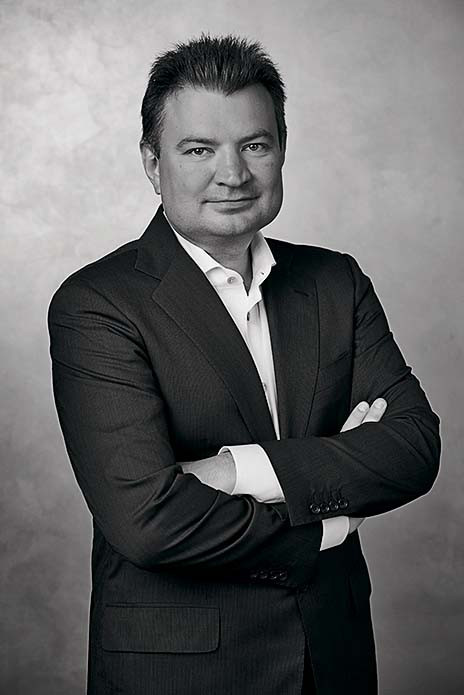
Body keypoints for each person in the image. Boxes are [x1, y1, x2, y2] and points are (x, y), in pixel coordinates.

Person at [48, 34, 440, 695]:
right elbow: (148, 522)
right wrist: (326, 523)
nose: (233, 174)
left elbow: (412, 448)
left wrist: (233, 470)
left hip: (333, 657)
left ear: (282, 148)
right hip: (182, 669)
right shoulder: (96, 304)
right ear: (152, 163)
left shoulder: (336, 282)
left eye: (254, 145)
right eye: (199, 149)